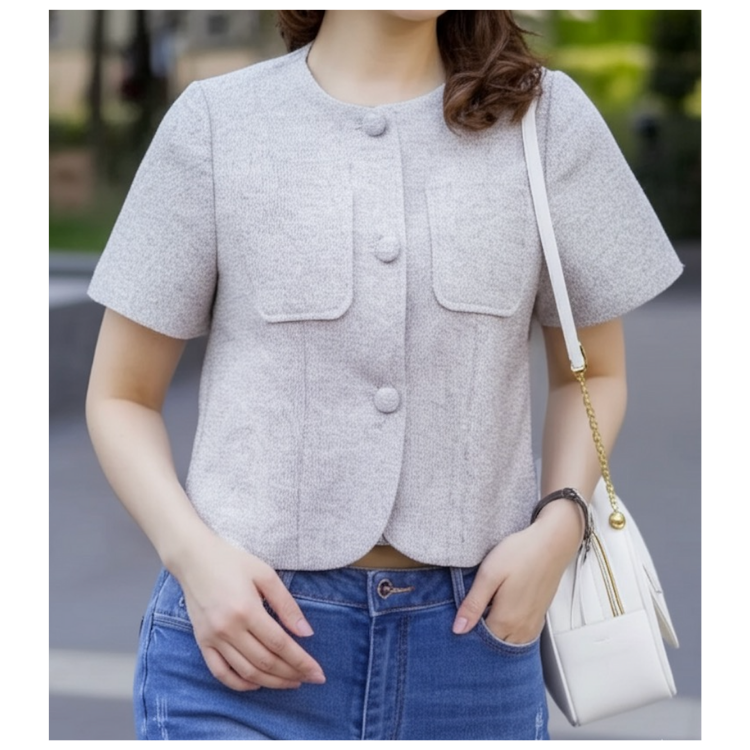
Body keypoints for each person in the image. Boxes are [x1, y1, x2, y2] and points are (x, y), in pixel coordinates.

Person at [85, 10, 683, 741]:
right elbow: (120, 396)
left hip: (475, 650)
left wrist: (560, 528)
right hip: (242, 643)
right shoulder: (217, 123)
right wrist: (194, 560)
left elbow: (594, 375)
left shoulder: (544, 119)